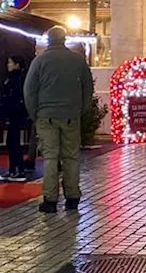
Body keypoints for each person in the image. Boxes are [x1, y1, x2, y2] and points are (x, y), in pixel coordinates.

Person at [23, 26, 94, 213]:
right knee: (71, 157)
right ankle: (72, 197)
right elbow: (88, 87)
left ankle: (50, 200)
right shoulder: (77, 61)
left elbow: (29, 90)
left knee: (50, 157)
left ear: (48, 40)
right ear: (64, 39)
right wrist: (81, 109)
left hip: (46, 116)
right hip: (71, 115)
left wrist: (35, 114)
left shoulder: (39, 61)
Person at [0, 54, 31, 182]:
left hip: (14, 114)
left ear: (17, 64)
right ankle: (13, 169)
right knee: (12, 142)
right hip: (14, 114)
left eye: (10, 62)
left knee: (14, 143)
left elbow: (12, 97)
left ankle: (18, 169)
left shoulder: (15, 79)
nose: (8, 65)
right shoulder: (16, 78)